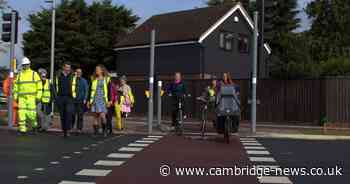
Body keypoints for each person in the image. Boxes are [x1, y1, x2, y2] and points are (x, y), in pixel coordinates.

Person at [13, 57, 42, 135]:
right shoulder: (19, 75)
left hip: (31, 98)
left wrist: (38, 97)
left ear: (29, 64)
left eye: (27, 64)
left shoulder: (34, 74)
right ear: (22, 65)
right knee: (21, 114)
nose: (25, 66)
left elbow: (39, 87)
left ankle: (34, 127)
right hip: (22, 98)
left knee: (31, 114)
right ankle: (22, 130)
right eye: (24, 65)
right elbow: (16, 87)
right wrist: (16, 97)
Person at [54, 62, 78, 138]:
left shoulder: (73, 76)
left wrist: (75, 96)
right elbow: (54, 87)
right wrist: (56, 97)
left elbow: (76, 86)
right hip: (60, 97)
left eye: (69, 68)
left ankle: (67, 130)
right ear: (63, 67)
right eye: (67, 67)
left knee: (69, 113)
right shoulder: (58, 76)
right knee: (62, 115)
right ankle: (64, 130)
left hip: (70, 98)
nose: (68, 69)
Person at [88, 65, 110, 137]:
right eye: (96, 69)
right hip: (95, 99)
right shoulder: (93, 79)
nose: (96, 70)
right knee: (95, 116)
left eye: (98, 69)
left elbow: (109, 91)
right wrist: (89, 101)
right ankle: (95, 132)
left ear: (102, 70)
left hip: (103, 100)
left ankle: (104, 131)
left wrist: (109, 101)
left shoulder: (106, 79)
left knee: (103, 116)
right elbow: (90, 90)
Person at [72, 68, 89, 134]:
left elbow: (86, 90)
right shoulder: (73, 80)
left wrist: (85, 99)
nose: (78, 73)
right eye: (77, 72)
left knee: (80, 115)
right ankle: (71, 126)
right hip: (73, 100)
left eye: (79, 72)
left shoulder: (84, 81)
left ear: (81, 73)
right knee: (72, 114)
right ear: (75, 73)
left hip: (81, 100)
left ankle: (79, 128)